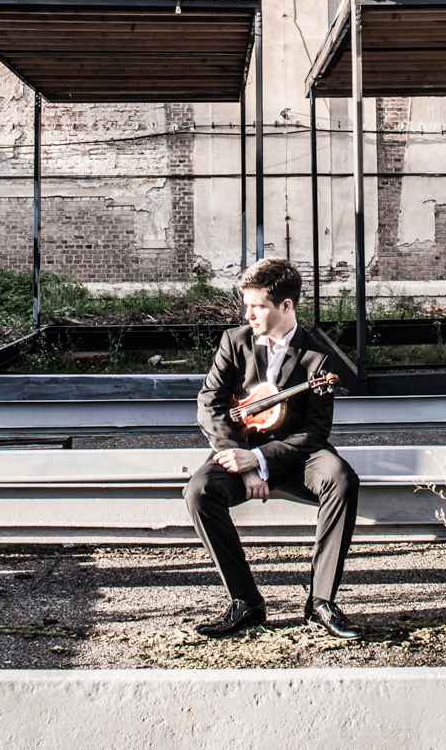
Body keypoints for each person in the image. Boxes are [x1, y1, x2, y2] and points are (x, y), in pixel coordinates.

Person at [184, 257, 362, 640]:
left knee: (341, 478)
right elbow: (209, 404)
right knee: (199, 491)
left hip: (296, 456)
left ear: (286, 306)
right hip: (242, 447)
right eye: (246, 305)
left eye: (258, 306)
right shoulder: (234, 342)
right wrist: (246, 462)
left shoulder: (318, 357)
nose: (248, 314)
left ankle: (321, 602)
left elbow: (315, 431)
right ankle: (245, 602)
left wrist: (261, 459)